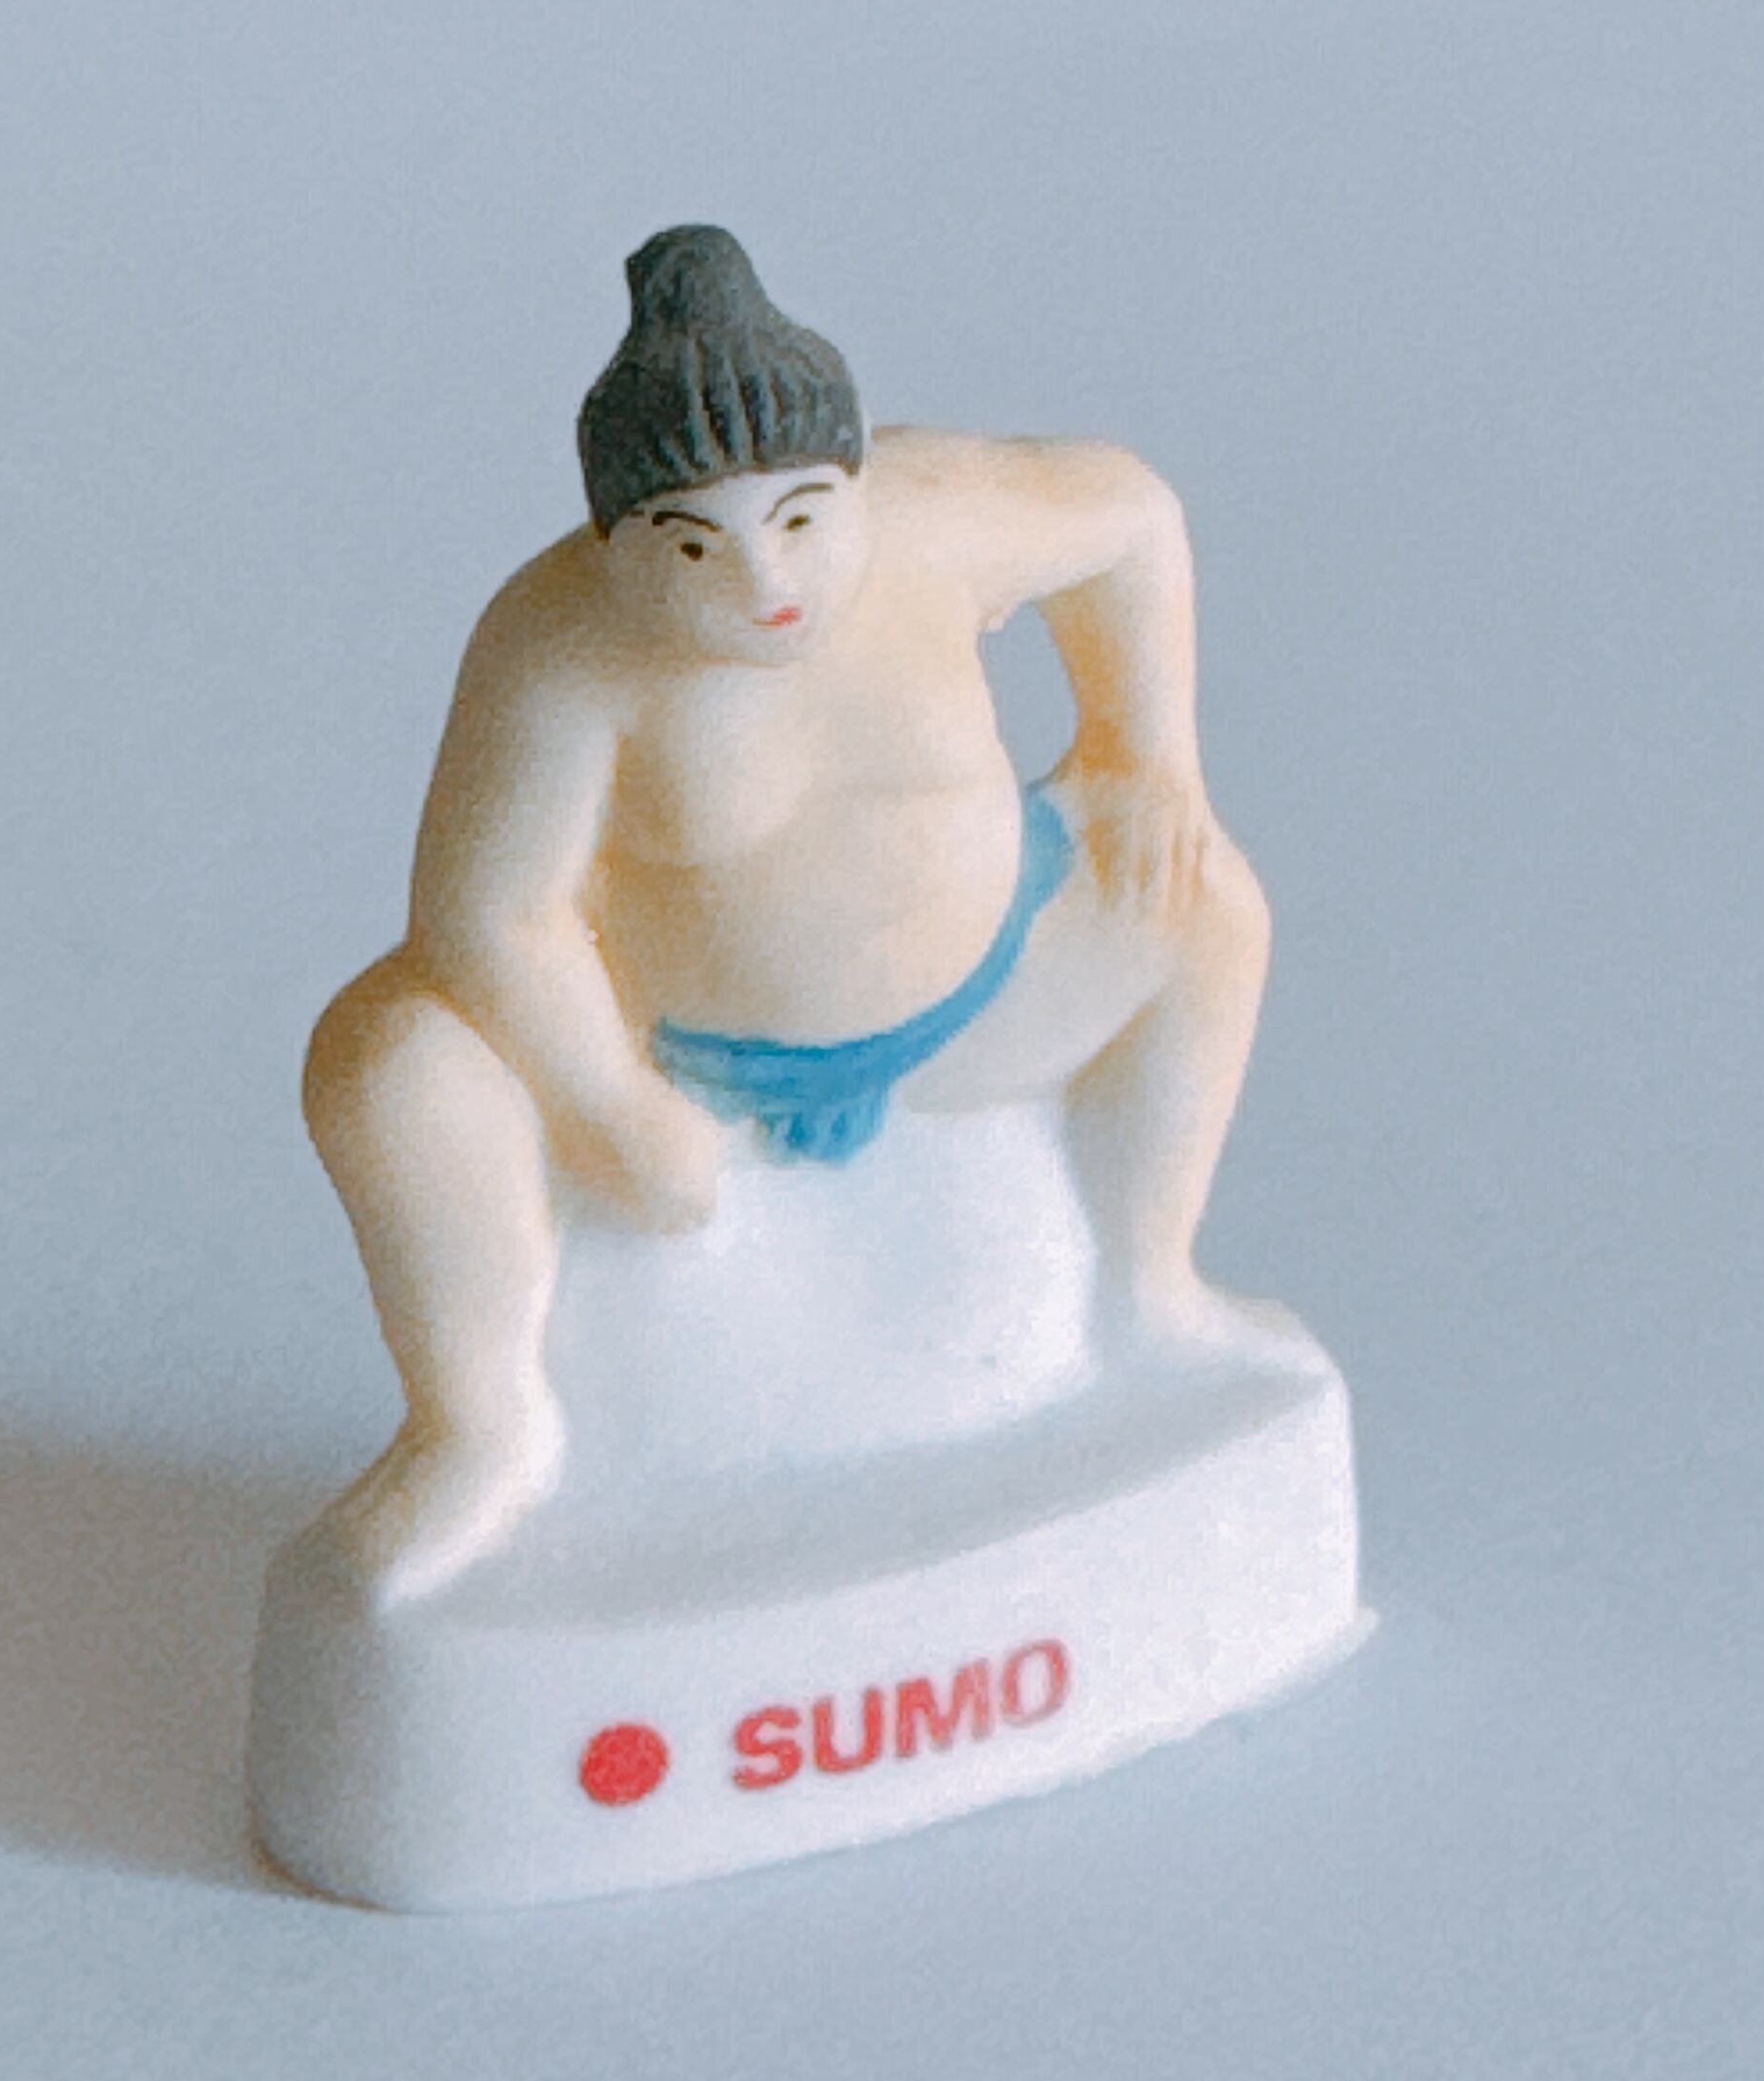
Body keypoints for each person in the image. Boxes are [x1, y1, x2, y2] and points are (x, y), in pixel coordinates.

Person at [302, 226, 1273, 1598]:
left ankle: (1150, 1287)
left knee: (1207, 902)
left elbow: (1131, 518)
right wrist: (607, 1102)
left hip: (986, 1001)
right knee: (386, 1057)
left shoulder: (942, 519)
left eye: (803, 521)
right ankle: (482, 1429)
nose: (765, 583)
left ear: (854, 483)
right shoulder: (559, 648)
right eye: (696, 545)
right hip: (688, 1072)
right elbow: (491, 915)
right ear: (620, 544)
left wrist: (1147, 750)